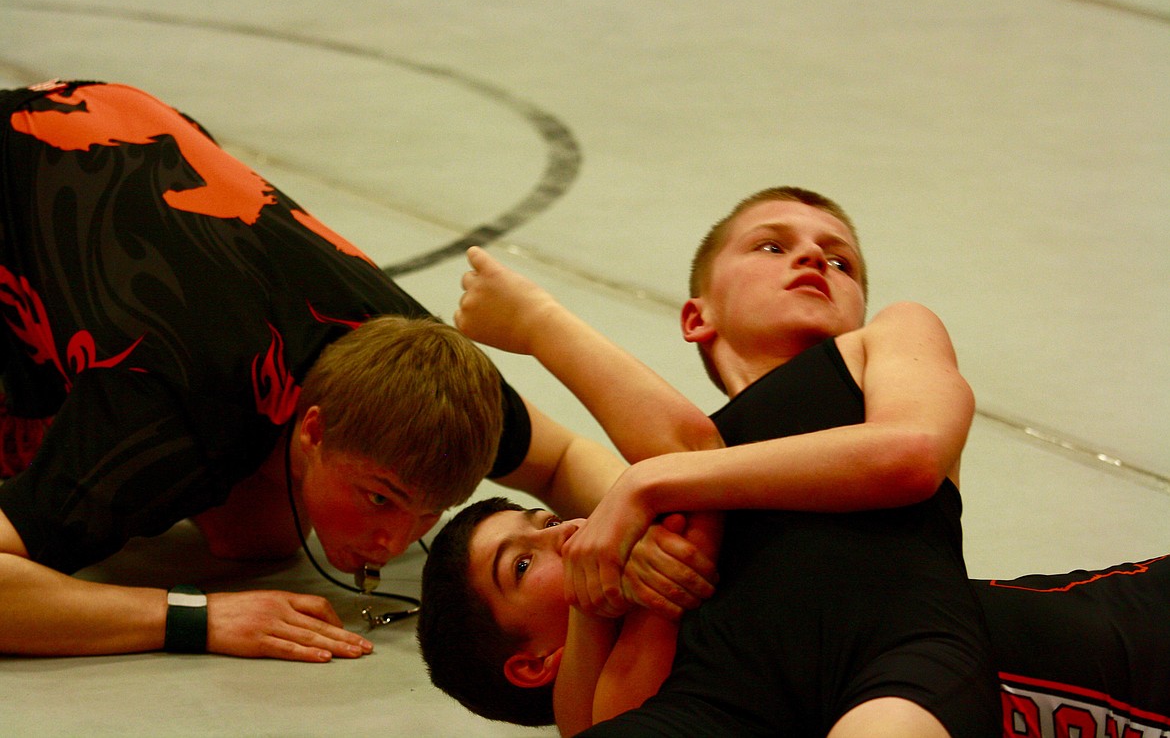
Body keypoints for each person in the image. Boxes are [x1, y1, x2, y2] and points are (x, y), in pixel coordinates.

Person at [0, 79, 626, 663]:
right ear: (314, 430)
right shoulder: (169, 418)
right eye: (381, 498)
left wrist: (655, 534)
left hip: (122, 154)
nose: (395, 540)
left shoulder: (424, 367)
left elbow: (564, 456)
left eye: (429, 511)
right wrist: (196, 619)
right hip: (48, 177)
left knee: (262, 540)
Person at [435, 185, 1004, 737]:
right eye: (772, 246)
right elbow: (601, 719)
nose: (812, 256)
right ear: (696, 317)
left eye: (841, 262)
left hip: (896, 658)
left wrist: (542, 325)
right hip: (730, 700)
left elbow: (911, 454)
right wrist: (605, 595)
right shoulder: (685, 468)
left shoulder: (888, 340)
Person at [421, 496, 1170, 737]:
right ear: (534, 664)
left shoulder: (689, 569)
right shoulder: (685, 703)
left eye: (546, 518)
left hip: (1135, 623)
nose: (566, 532)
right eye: (522, 563)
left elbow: (672, 452)